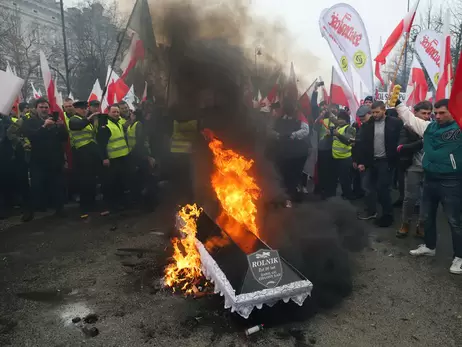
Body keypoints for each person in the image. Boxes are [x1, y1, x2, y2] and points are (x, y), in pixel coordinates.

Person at [396, 99, 462, 274]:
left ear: (453, 111)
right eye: (436, 113)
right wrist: (398, 104)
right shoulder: (429, 128)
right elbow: (410, 119)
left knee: (454, 221)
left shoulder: (459, 127)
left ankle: (460, 257)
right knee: (427, 216)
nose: (437, 116)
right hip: (430, 178)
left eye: (442, 113)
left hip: (452, 181)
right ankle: (430, 246)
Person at [357, 100, 402, 227]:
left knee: (383, 189)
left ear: (384, 110)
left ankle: (388, 216)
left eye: (377, 112)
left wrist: (397, 157)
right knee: (370, 187)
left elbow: (401, 139)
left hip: (386, 161)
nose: (375, 115)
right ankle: (373, 211)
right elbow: (363, 144)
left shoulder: (395, 123)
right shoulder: (368, 125)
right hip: (371, 161)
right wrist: (361, 161)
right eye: (373, 112)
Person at [21, 98, 68, 218]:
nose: (44, 109)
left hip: (55, 159)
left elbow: (64, 138)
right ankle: (30, 211)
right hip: (38, 160)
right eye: (41, 107)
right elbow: (32, 137)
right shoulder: (30, 121)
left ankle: (59, 209)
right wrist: (43, 126)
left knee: (57, 185)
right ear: (36, 109)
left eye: (46, 107)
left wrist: (62, 126)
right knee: (36, 186)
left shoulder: (55, 120)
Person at [396, 101, 431, 238]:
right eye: (423, 113)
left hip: (430, 168)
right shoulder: (407, 128)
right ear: (415, 113)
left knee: (426, 199)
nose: (426, 116)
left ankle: (421, 225)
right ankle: (405, 224)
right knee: (410, 198)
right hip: (413, 167)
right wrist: (422, 142)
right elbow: (401, 148)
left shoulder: (433, 127)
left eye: (429, 113)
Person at [270, 101, 310, 207]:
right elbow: (271, 130)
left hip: (297, 153)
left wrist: (293, 135)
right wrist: (278, 135)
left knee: (293, 176)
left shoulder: (300, 116)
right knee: (282, 174)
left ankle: (289, 198)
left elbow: (306, 130)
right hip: (283, 151)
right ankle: (282, 196)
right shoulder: (280, 118)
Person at [68, 100, 101, 217]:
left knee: (91, 180)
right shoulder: (74, 119)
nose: (84, 110)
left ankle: (92, 203)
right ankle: (85, 205)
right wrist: (89, 117)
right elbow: (77, 126)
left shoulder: (86, 120)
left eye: (85, 108)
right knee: (84, 181)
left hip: (90, 154)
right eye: (81, 108)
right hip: (81, 154)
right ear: (76, 109)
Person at [96, 104, 130, 213]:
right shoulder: (106, 125)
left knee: (120, 182)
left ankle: (120, 203)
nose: (116, 114)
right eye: (114, 112)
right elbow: (101, 144)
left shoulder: (118, 122)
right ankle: (111, 205)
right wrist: (104, 158)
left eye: (117, 112)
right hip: (112, 159)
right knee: (111, 183)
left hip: (122, 157)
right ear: (108, 112)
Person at [126, 110, 157, 208]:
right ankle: (142, 201)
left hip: (140, 155)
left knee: (145, 177)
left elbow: (140, 141)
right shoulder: (132, 125)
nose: (129, 115)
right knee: (139, 178)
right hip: (136, 155)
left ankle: (149, 202)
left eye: (131, 114)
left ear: (134, 116)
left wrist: (137, 153)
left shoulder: (138, 125)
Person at [332, 110, 356, 200]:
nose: (339, 120)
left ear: (346, 120)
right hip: (337, 157)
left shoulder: (349, 128)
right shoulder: (338, 127)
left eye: (341, 119)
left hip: (345, 158)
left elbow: (349, 141)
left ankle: (349, 195)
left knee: (345, 179)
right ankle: (345, 193)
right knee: (342, 178)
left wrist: (338, 135)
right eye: (338, 119)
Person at [351, 105, 372, 199]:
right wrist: (356, 160)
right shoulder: (363, 126)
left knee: (368, 187)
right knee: (365, 186)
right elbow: (359, 145)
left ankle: (372, 210)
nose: (362, 120)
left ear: (369, 114)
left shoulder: (372, 127)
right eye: (361, 119)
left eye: (364, 118)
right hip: (362, 160)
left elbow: (368, 147)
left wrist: (363, 163)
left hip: (369, 162)